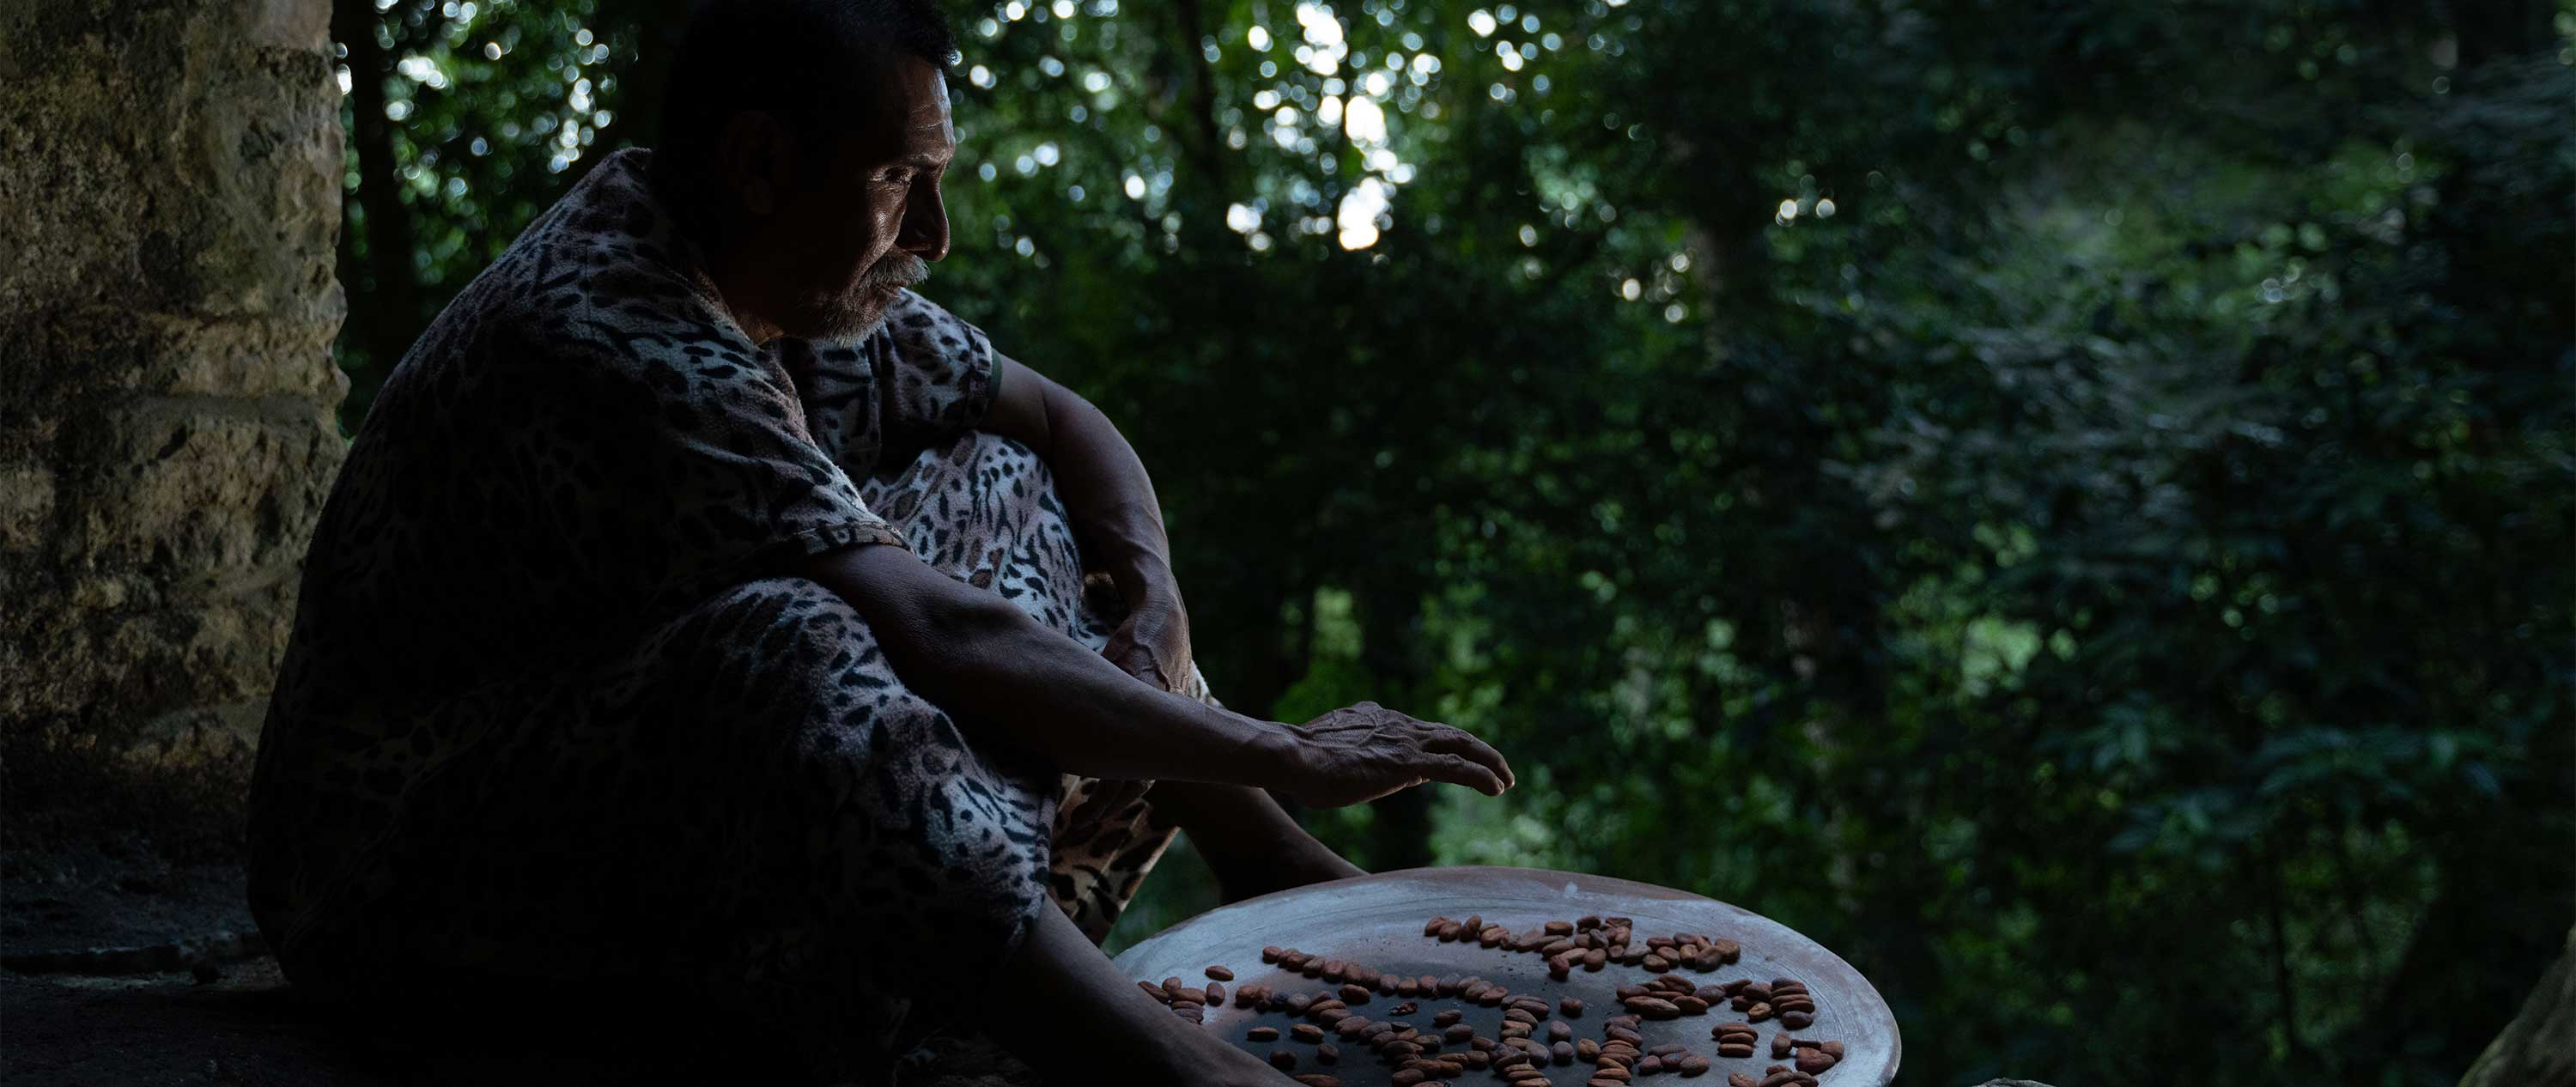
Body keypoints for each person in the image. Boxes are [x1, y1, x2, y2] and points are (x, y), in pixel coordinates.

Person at [244, 0, 1515, 1083]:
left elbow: (1056, 418)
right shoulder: (618, 336)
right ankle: (1140, 1052)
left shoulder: (756, 266)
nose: (933, 237)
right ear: (758, 164)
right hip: (407, 885)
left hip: (624, 786)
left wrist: (1157, 604)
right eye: (902, 182)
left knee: (1003, 478)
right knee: (797, 635)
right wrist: (1282, 746)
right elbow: (939, 635)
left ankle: (1254, 859)